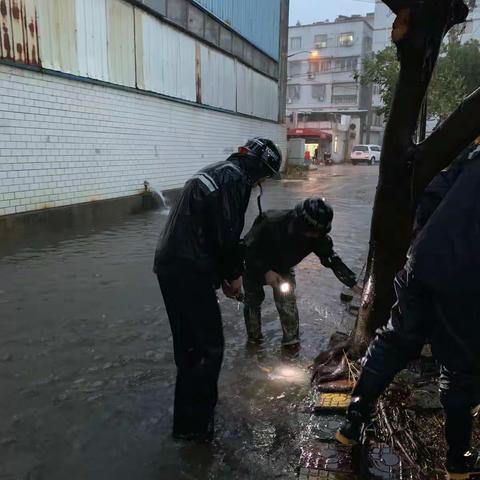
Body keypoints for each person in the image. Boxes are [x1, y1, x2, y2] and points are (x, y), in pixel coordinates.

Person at [336, 150, 480, 480]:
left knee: (394, 340)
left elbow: (430, 194)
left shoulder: (473, 158)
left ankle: (352, 420)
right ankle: (457, 464)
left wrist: (425, 243)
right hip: (469, 281)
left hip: (424, 262)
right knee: (461, 371)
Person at [154, 138, 282, 441]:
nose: (262, 184)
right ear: (258, 168)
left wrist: (224, 273)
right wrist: (233, 276)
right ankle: (198, 430)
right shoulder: (235, 181)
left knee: (189, 349)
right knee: (208, 350)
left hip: (169, 265)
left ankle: (186, 423)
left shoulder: (215, 171)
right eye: (264, 177)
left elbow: (209, 231)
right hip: (190, 270)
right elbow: (226, 236)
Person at [242, 198, 361, 346]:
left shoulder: (317, 236)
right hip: (254, 265)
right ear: (300, 223)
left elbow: (331, 259)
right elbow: (246, 249)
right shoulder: (270, 221)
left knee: (287, 301)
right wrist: (266, 271)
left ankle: (291, 342)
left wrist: (353, 284)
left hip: (283, 268)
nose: (314, 236)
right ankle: (254, 341)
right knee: (252, 302)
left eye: (318, 233)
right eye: (312, 232)